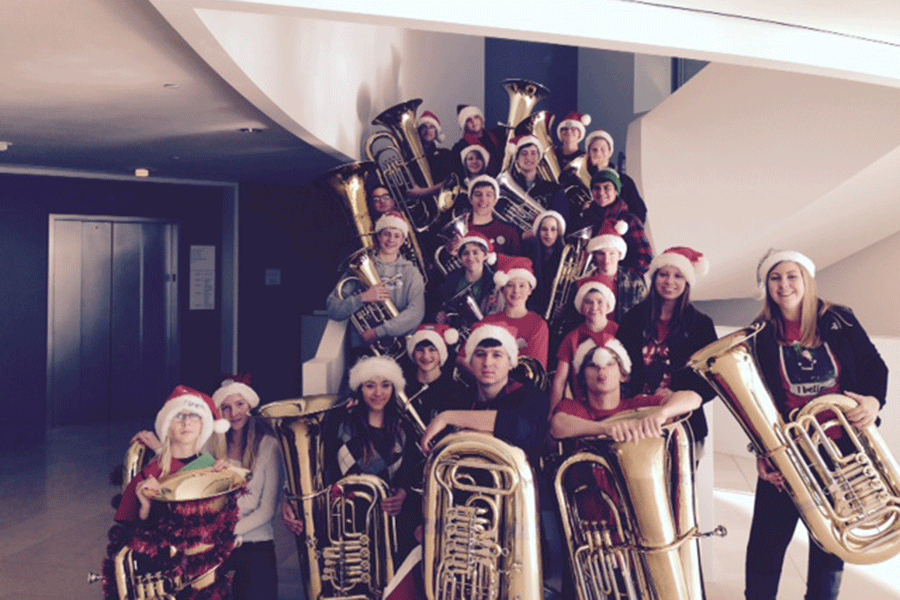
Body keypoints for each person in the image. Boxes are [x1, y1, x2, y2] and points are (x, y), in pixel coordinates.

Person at [744, 249, 887, 600]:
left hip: (841, 448)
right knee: (766, 542)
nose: (784, 284)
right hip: (789, 450)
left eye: (792, 276)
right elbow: (753, 400)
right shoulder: (759, 333)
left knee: (829, 543)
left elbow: (873, 366)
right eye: (775, 278)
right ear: (767, 286)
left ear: (806, 279)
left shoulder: (840, 319)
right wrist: (761, 450)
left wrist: (872, 401)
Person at [111, 386, 237, 600]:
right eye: (178, 416)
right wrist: (146, 507)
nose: (187, 422)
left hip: (207, 573)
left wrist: (223, 483)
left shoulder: (212, 468)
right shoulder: (149, 475)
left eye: (194, 416)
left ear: (203, 425)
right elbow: (128, 538)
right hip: (164, 576)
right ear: (167, 426)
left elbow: (226, 525)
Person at [615, 246, 717, 452]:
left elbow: (712, 379)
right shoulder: (632, 319)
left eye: (678, 276)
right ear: (654, 278)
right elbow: (620, 368)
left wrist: (677, 398)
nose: (670, 282)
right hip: (637, 423)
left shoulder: (701, 325)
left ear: (687, 282)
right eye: (664, 274)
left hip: (685, 426)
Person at [329, 356, 423, 558]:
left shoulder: (403, 428)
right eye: (370, 386)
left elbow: (411, 472)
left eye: (386, 385)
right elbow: (326, 467)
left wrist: (403, 494)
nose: (379, 393)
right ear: (360, 389)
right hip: (350, 524)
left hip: (392, 525)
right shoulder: (340, 426)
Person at [422, 321, 550, 466]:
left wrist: (447, 417)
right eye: (480, 354)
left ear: (511, 363)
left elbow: (521, 429)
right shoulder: (459, 399)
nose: (487, 363)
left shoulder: (533, 396)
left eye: (497, 355)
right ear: (470, 362)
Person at [550, 336, 701, 442]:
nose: (601, 370)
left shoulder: (638, 405)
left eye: (609, 363)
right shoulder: (573, 408)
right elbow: (557, 425)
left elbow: (694, 398)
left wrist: (662, 414)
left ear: (623, 375)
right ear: (582, 377)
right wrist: (605, 429)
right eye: (592, 365)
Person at [211, 376, 281, 600]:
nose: (234, 413)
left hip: (256, 541)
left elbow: (267, 510)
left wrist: (227, 532)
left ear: (250, 406)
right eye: (227, 407)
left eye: (240, 404)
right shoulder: (211, 446)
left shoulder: (269, 445)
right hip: (216, 543)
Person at [326, 211, 425, 355]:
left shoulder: (411, 273)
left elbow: (416, 314)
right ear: (378, 236)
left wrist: (379, 332)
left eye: (397, 235)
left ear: (404, 240)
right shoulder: (357, 268)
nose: (391, 240)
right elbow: (333, 309)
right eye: (386, 234)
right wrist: (363, 298)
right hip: (363, 349)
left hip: (401, 349)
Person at [549, 274, 619, 412]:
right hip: (585, 406)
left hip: (617, 402)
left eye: (600, 302)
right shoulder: (572, 338)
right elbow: (559, 381)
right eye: (588, 302)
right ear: (581, 306)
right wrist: (552, 413)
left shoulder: (619, 332)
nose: (594, 307)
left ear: (608, 305)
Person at [478, 254, 550, 369]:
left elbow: (536, 368)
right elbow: (462, 359)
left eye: (522, 286)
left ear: (530, 290)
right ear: (502, 289)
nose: (516, 291)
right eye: (510, 285)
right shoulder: (488, 322)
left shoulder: (538, 325)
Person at [576, 168, 652, 275]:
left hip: (621, 284)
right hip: (590, 282)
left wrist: (618, 276)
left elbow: (645, 259)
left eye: (607, 188)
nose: (601, 193)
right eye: (596, 188)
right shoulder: (585, 218)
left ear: (616, 191)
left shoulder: (630, 220)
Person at [584, 219, 648, 323]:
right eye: (601, 254)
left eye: (612, 254)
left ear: (619, 255)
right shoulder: (584, 282)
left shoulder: (635, 282)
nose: (606, 259)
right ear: (595, 256)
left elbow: (645, 316)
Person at [404, 324, 465, 425]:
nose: (426, 356)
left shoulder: (456, 391)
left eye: (432, 349)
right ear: (413, 354)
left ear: (441, 354)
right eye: (420, 350)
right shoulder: (404, 386)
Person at [435, 231, 499, 324]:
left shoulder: (495, 282)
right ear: (460, 258)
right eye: (465, 253)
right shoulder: (451, 280)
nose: (470, 258)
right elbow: (442, 307)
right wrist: (441, 315)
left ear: (485, 255)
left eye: (475, 252)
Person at [583, 129, 647, 223]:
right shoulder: (582, 178)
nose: (598, 153)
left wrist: (626, 228)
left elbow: (640, 210)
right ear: (589, 153)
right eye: (594, 150)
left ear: (610, 152)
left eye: (603, 149)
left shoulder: (625, 181)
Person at [506, 134, 569, 219]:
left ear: (539, 158)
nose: (529, 157)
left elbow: (562, 221)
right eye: (524, 153)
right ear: (517, 159)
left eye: (533, 153)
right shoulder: (507, 190)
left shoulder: (554, 190)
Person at [523, 210, 567, 318]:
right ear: (538, 232)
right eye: (544, 229)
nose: (549, 234)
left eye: (553, 230)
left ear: (559, 232)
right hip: (532, 309)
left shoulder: (566, 256)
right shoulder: (528, 253)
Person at [465, 175, 521, 256]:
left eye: (488, 195)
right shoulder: (462, 232)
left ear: (495, 200)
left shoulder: (509, 231)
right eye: (478, 194)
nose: (483, 199)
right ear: (470, 199)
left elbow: (518, 265)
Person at [451, 104, 504, 177]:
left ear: (481, 119)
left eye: (476, 117)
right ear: (464, 125)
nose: (474, 122)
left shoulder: (497, 136)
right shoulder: (459, 147)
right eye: (469, 120)